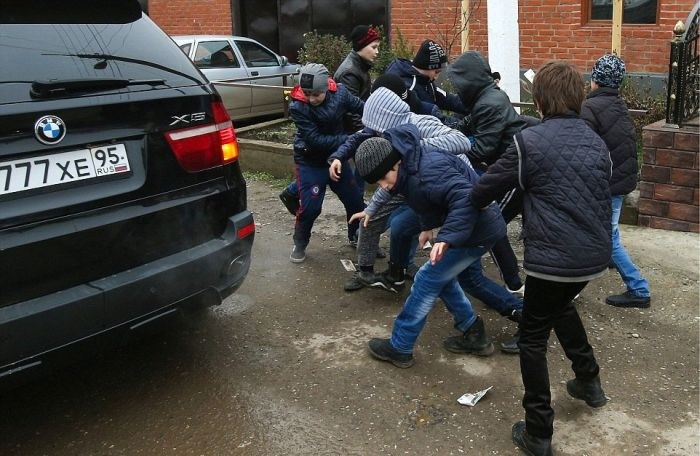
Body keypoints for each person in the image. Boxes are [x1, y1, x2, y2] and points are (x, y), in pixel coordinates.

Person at [471, 61, 611, 456]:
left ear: (541, 99)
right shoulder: (594, 140)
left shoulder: (528, 142)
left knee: (532, 338)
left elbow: (485, 188)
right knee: (559, 306)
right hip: (593, 257)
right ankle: (589, 381)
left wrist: (467, 209)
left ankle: (538, 434)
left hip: (555, 258)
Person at [355, 123, 506, 368]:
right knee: (440, 276)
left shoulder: (427, 171)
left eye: (384, 178)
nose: (383, 186)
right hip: (472, 228)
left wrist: (446, 237)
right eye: (377, 182)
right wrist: (427, 227)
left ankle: (400, 346)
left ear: (396, 164)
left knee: (426, 279)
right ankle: (473, 331)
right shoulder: (410, 167)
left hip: (478, 230)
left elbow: (464, 198)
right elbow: (426, 201)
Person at [329, 86, 472, 292]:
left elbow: (462, 141)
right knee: (371, 216)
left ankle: (405, 269)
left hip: (439, 182)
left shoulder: (421, 123)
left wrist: (411, 150)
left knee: (404, 226)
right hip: (404, 178)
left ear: (386, 119)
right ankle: (366, 272)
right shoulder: (383, 133)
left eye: (376, 129)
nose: (373, 134)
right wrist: (371, 208)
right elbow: (385, 172)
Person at [446, 50, 527, 296]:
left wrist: (450, 154)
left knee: (491, 223)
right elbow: (468, 123)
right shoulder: (487, 97)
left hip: (514, 174)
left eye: (459, 83)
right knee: (493, 224)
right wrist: (447, 129)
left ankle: (513, 284)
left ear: (469, 81)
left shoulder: (489, 103)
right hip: (509, 169)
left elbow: (483, 148)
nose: (457, 89)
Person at [280, 25, 381, 217]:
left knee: (339, 174)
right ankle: (357, 209)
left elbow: (358, 104)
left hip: (347, 133)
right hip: (348, 132)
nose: (377, 52)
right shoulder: (350, 72)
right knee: (350, 173)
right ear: (362, 46)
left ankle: (355, 207)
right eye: (374, 47)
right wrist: (360, 134)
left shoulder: (359, 67)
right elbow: (349, 111)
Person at [581, 54, 652, 309]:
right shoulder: (617, 104)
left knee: (607, 237)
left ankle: (639, 288)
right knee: (609, 230)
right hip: (621, 180)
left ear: (595, 80)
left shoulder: (591, 108)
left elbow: (585, 148)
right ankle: (608, 258)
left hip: (607, 183)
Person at [287, 63, 365, 263]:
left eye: (316, 94)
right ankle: (300, 242)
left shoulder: (340, 93)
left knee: (354, 200)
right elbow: (315, 140)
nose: (311, 99)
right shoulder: (298, 106)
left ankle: (356, 235)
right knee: (311, 208)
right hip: (310, 160)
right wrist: (351, 138)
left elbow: (361, 107)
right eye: (307, 93)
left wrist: (376, 115)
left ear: (326, 87)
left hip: (337, 159)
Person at [385, 39, 468, 123]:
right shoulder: (408, 86)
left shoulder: (426, 80)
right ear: (426, 66)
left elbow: (447, 99)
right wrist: (462, 125)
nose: (436, 77)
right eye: (436, 72)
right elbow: (429, 118)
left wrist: (474, 103)